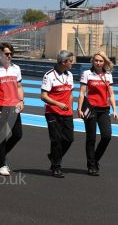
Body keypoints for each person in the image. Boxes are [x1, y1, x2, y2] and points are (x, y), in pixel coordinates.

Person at [0, 42, 24, 176]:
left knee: (18, 134)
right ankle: (2, 164)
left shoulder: (16, 68)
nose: (9, 56)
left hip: (15, 106)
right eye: (7, 53)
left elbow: (19, 87)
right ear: (0, 53)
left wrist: (21, 101)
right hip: (0, 106)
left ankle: (1, 153)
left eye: (11, 53)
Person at [77, 52, 118, 176]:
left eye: (101, 61)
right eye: (96, 61)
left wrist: (115, 109)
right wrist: (79, 109)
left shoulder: (108, 75)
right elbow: (82, 93)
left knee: (107, 136)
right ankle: (91, 165)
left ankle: (95, 160)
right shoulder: (87, 74)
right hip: (91, 109)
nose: (98, 63)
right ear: (93, 61)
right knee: (91, 138)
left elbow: (111, 94)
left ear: (104, 62)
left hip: (104, 109)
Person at [41, 50, 74, 178]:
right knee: (56, 140)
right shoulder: (49, 75)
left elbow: (70, 92)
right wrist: (58, 104)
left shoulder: (70, 75)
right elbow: (43, 96)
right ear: (63, 62)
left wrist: (70, 105)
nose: (72, 63)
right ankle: (56, 167)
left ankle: (53, 157)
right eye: (70, 61)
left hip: (67, 113)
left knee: (69, 139)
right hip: (52, 112)